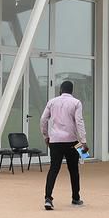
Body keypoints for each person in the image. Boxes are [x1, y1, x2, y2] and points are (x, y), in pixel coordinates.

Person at [40, 80, 86, 210]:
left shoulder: (52, 102)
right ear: (72, 90)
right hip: (72, 141)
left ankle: (48, 198)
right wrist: (83, 141)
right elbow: (79, 122)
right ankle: (75, 198)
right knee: (74, 170)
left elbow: (43, 119)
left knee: (54, 169)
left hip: (55, 140)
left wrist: (46, 136)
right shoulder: (76, 102)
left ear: (60, 89)